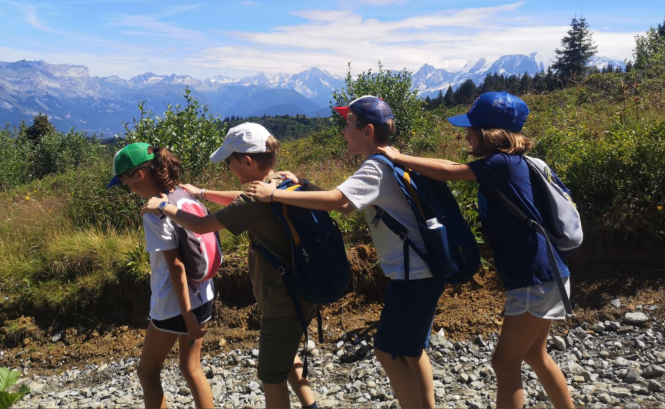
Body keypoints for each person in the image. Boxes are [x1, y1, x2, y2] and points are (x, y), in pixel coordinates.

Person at [375, 91, 574, 409]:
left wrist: (397, 157)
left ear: (491, 134)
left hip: (533, 278)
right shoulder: (507, 163)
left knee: (504, 363)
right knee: (535, 355)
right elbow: (449, 165)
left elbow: (448, 172)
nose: (465, 133)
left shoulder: (502, 164)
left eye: (471, 127)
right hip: (548, 273)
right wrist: (401, 156)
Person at [247, 96, 445, 409]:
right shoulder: (386, 162)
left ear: (367, 131)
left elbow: (336, 202)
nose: (343, 132)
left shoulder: (374, 169)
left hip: (412, 275)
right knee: (410, 350)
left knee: (388, 352)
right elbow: (347, 205)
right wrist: (307, 184)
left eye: (348, 125)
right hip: (420, 269)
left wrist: (272, 195)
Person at [142, 123, 319, 409]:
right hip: (305, 288)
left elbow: (201, 225)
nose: (229, 169)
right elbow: (239, 200)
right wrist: (201, 192)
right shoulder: (283, 181)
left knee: (271, 377)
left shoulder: (255, 200)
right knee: (288, 355)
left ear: (247, 161)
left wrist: (164, 208)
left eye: (230, 162)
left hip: (280, 298)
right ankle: (311, 405)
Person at [108, 143, 215, 409]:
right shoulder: (182, 195)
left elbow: (175, 265)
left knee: (147, 372)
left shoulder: (155, 213)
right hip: (204, 292)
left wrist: (186, 313)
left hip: (175, 306)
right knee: (191, 368)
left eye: (125, 181)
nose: (127, 188)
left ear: (139, 175)